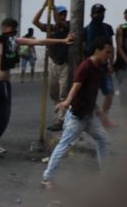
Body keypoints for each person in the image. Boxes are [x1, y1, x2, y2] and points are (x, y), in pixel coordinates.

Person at [0, 20, 71, 162]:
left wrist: (64, 40)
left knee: (5, 117)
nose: (12, 34)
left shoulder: (14, 42)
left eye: (14, 31)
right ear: (3, 29)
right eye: (10, 31)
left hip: (5, 84)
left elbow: (39, 41)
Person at [41, 38, 114, 189]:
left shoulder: (97, 67)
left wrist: (99, 111)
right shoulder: (85, 67)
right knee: (64, 146)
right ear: (97, 50)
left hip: (89, 116)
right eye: (107, 52)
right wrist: (67, 102)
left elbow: (90, 92)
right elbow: (76, 86)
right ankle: (47, 178)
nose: (109, 56)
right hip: (77, 116)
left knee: (104, 140)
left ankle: (107, 175)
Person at [32, 4, 71, 131]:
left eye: (65, 14)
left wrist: (53, 8)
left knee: (63, 93)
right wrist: (43, 7)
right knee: (53, 93)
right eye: (61, 14)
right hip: (53, 62)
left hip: (65, 63)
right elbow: (35, 21)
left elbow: (61, 22)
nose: (63, 16)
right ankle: (60, 116)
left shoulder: (68, 26)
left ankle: (60, 120)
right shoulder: (51, 27)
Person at [84, 4, 116, 116]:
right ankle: (95, 114)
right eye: (97, 13)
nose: (100, 15)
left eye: (102, 13)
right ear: (91, 14)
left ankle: (104, 116)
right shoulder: (86, 30)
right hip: (91, 67)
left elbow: (111, 47)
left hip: (104, 66)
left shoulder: (107, 28)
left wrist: (111, 64)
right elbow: (83, 49)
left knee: (109, 93)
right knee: (90, 93)